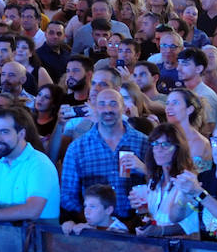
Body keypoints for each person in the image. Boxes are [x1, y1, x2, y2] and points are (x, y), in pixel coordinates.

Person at [59, 87, 149, 221]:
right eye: (102, 104)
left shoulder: (143, 142)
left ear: (123, 108)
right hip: (95, 230)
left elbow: (160, 187)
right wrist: (90, 221)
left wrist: (145, 170)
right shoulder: (77, 148)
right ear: (94, 108)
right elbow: (68, 196)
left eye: (113, 104)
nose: (107, 109)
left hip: (136, 228)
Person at [0, 108, 60, 221]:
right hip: (10, 235)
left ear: (21, 134)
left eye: (4, 132)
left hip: (39, 237)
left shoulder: (39, 163)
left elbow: (32, 211)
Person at [128, 123, 197, 236]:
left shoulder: (188, 180)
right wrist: (141, 211)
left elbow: (191, 226)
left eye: (165, 144)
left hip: (178, 248)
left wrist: (160, 231)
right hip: (155, 248)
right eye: (155, 144)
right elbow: (153, 217)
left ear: (178, 148)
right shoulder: (155, 181)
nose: (159, 149)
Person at [61, 184, 129, 235]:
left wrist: (93, 234)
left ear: (108, 210)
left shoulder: (120, 231)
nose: (86, 212)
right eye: (85, 206)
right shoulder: (91, 224)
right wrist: (70, 225)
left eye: (92, 207)